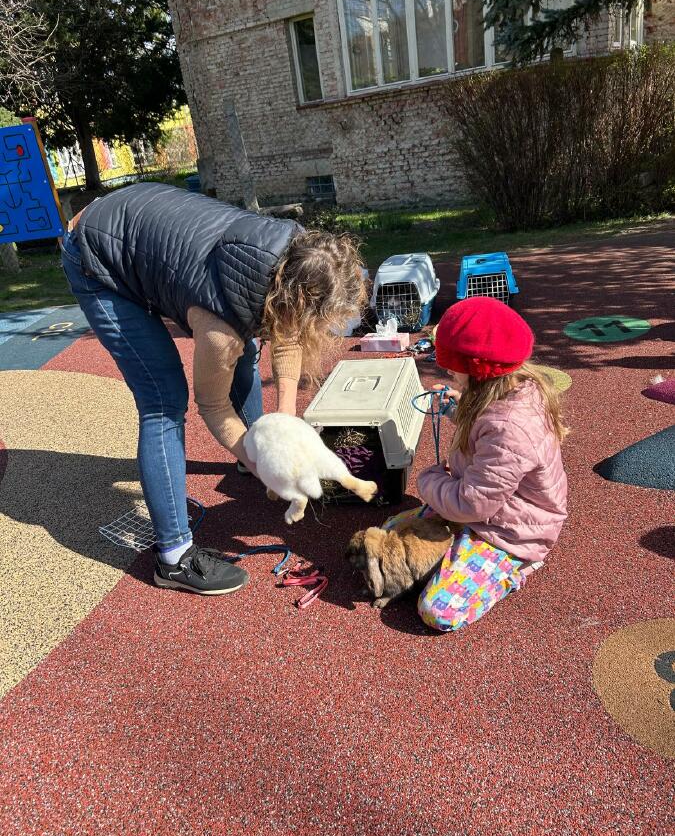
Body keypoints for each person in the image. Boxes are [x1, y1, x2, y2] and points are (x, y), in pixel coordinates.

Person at [60, 182, 367, 596]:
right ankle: (173, 557)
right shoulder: (220, 327)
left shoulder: (301, 257)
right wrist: (265, 466)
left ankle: (250, 454)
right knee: (164, 399)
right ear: (301, 299)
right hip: (97, 252)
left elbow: (289, 334)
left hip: (141, 223)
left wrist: (283, 431)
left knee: (245, 349)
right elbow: (213, 405)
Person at [416, 296, 568, 631]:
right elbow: (486, 429)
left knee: (438, 610)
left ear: (477, 369)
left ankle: (516, 568)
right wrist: (457, 409)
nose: (446, 369)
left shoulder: (509, 427)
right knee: (392, 536)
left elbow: (470, 504)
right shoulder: (510, 388)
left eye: (451, 363)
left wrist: (427, 481)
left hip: (512, 532)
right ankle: (460, 545)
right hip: (486, 505)